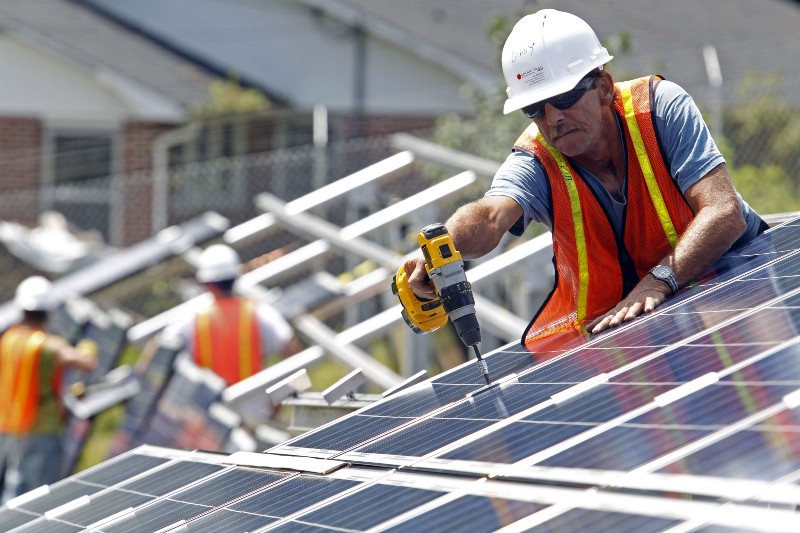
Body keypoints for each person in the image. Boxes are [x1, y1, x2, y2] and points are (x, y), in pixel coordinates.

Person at [404, 9, 767, 351]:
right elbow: (490, 215)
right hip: (634, 321)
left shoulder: (659, 108)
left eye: (564, 97)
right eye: (535, 108)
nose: (553, 119)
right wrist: (441, 249)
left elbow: (723, 212)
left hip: (741, 279)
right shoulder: (537, 159)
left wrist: (659, 281)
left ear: (604, 87)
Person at [0, 276, 97, 503]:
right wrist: (88, 346)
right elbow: (86, 363)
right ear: (48, 312)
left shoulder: (10, 339)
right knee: (40, 495)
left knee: (15, 486)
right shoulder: (49, 345)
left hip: (12, 425)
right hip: (42, 429)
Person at [163, 244, 300, 386]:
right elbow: (294, 354)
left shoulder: (190, 316)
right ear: (236, 276)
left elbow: (161, 356)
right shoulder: (259, 311)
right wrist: (292, 392)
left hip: (205, 399)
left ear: (205, 282)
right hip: (252, 398)